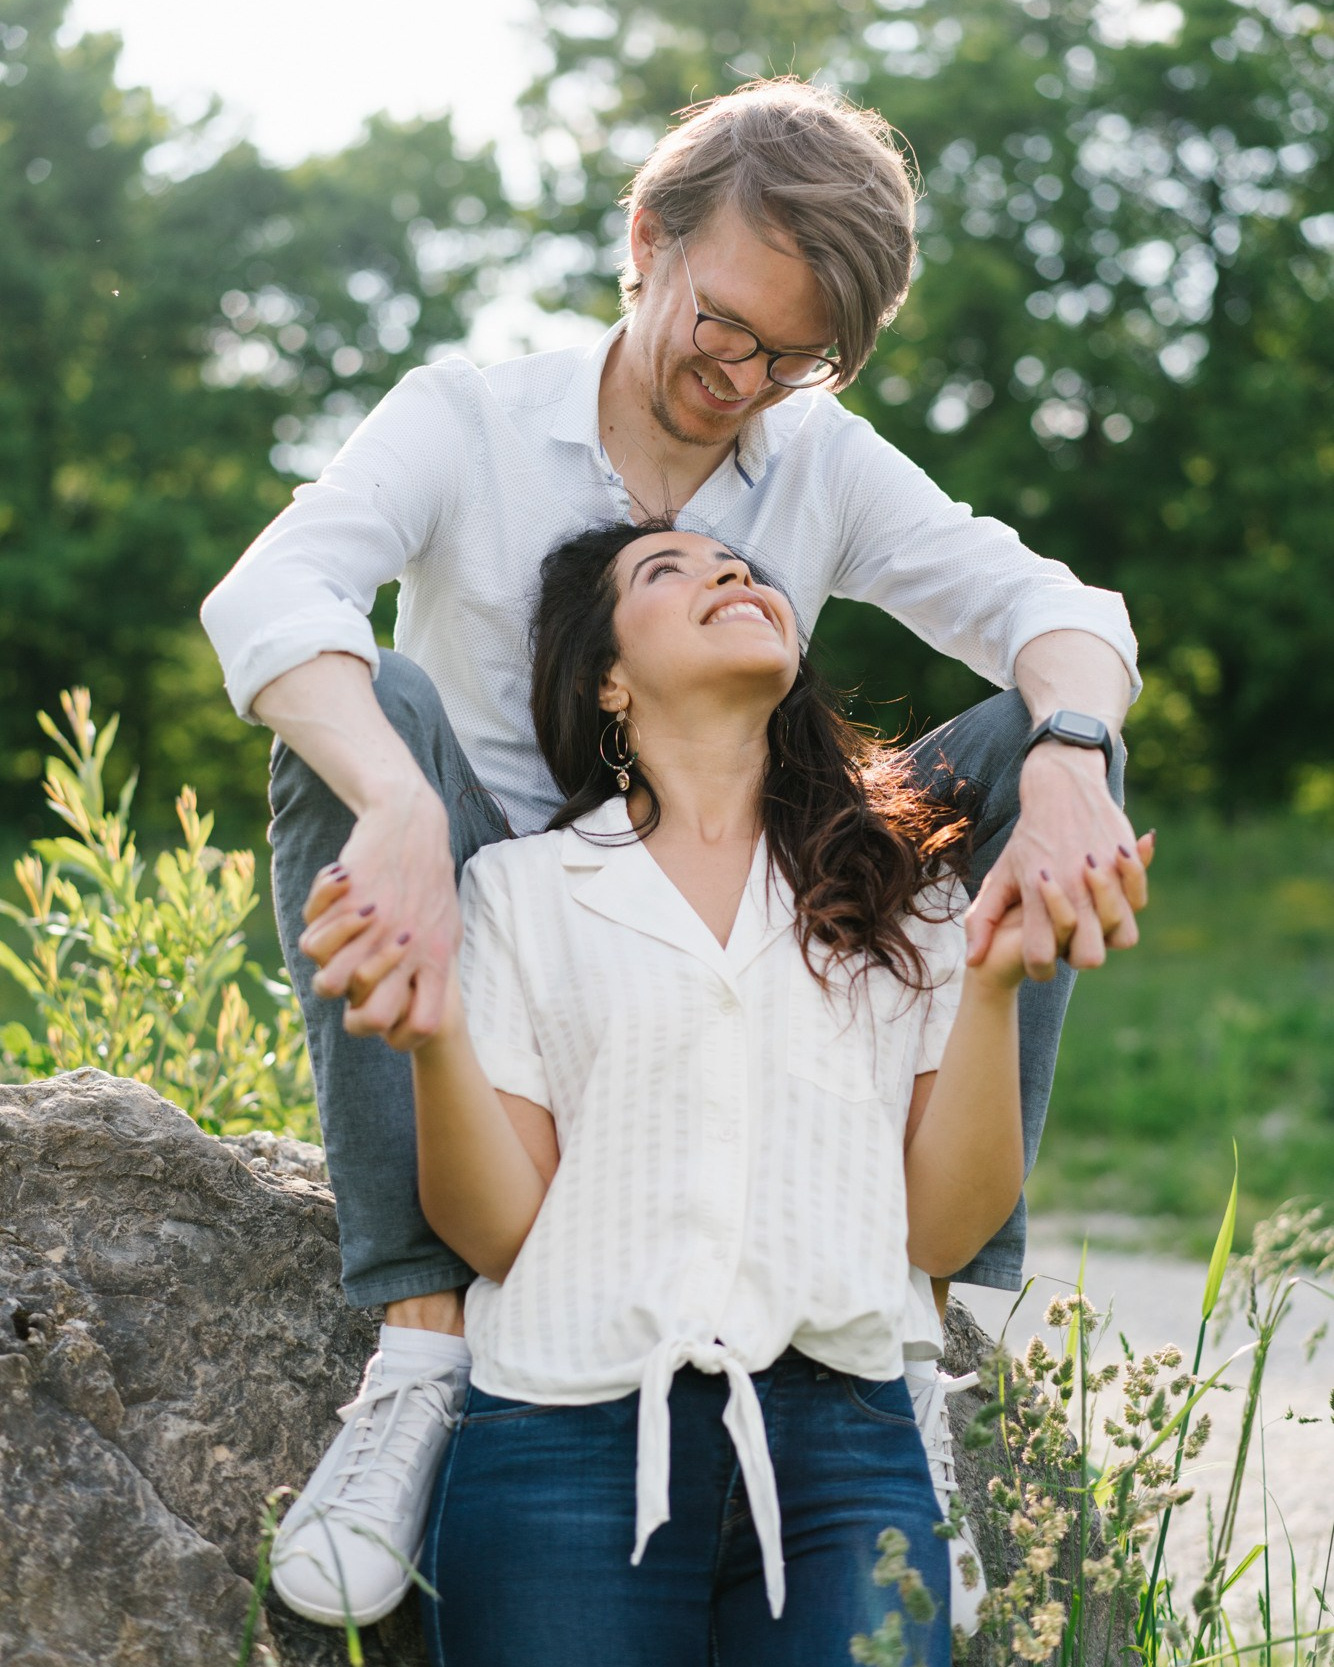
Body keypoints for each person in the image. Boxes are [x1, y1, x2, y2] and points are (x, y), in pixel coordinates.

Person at [200, 78, 1144, 1631]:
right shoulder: (467, 417)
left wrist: (1070, 755)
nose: (743, 380)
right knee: (367, 714)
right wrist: (397, 804)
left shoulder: (815, 455)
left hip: (740, 868)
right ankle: (423, 1348)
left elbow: (1058, 609)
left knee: (1039, 734)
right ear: (645, 241)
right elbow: (269, 595)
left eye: (793, 357)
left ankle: (913, 1342)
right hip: (488, 887)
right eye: (724, 326)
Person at [297, 523, 1150, 1662]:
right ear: (607, 676)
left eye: (743, 568)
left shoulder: (908, 894)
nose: (731, 574)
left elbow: (943, 1231)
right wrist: (437, 1033)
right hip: (561, 1438)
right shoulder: (519, 889)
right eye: (669, 570)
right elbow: (499, 1232)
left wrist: (993, 986)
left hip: (849, 1447)